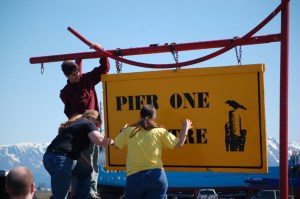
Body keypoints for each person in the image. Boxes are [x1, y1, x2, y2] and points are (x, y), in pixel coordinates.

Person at [60, 45, 110, 199]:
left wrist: (99, 49)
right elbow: (68, 113)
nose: (77, 76)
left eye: (77, 72)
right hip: (77, 131)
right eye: (73, 75)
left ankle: (91, 189)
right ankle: (76, 190)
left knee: (92, 158)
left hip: (93, 127)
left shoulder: (88, 79)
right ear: (67, 76)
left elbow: (104, 67)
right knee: (77, 159)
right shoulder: (65, 93)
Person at [113, 104, 193, 199]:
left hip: (134, 178)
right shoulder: (160, 131)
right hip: (156, 177)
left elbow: (116, 145)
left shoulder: (129, 131)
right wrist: (185, 128)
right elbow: (179, 143)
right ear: (154, 116)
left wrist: (123, 131)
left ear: (140, 115)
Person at [43, 110, 114, 199]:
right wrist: (112, 142)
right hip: (61, 160)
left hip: (50, 158)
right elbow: (98, 139)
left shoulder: (75, 126)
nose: (96, 128)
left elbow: (76, 152)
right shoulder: (87, 123)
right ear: (90, 118)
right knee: (60, 196)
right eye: (96, 125)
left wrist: (87, 164)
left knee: (85, 171)